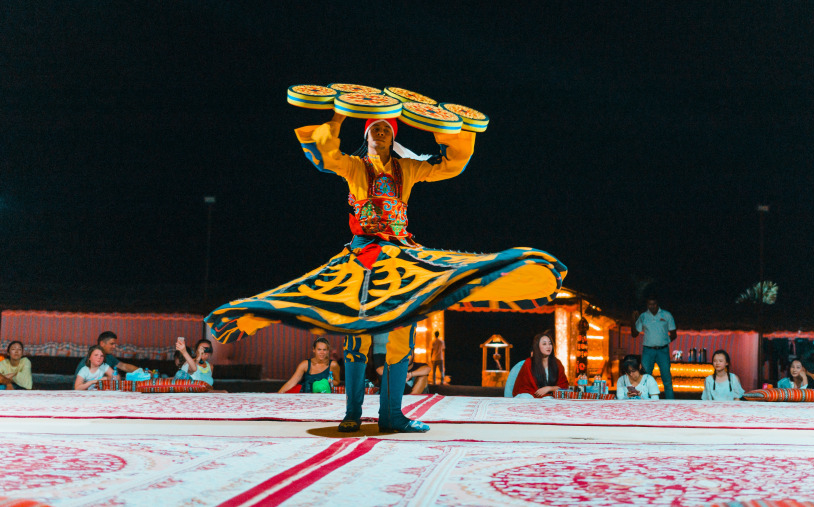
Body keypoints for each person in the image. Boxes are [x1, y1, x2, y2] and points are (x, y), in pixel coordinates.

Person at [205, 111, 567, 434]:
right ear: (366, 136)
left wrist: (453, 132)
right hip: (360, 255)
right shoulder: (353, 165)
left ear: (394, 138)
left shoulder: (406, 168)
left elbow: (449, 167)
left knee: (400, 335)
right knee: (356, 334)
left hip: (399, 257)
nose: (380, 136)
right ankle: (351, 414)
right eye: (374, 130)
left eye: (386, 131)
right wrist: (337, 116)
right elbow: (324, 155)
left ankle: (392, 415)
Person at [631, 297, 677, 399]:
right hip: (648, 351)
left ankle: (671, 403)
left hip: (663, 351)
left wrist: (665, 341)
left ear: (657, 304)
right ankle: (645, 401)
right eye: (649, 304)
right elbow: (634, 334)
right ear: (647, 305)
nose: (652, 306)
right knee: (645, 378)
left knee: (667, 379)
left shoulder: (666, 315)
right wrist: (633, 320)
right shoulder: (643, 316)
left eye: (654, 304)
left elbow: (674, 333)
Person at [512, 331, 569, 398]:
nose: (548, 346)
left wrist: (549, 388)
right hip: (530, 396)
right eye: (544, 344)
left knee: (548, 399)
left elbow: (564, 386)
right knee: (525, 397)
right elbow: (522, 387)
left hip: (548, 396)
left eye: (550, 344)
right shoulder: (529, 362)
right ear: (537, 346)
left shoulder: (557, 363)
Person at [74, 331, 139, 376]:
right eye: (112, 344)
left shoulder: (109, 356)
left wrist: (143, 371)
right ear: (102, 343)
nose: (114, 346)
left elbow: (123, 366)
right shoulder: (91, 360)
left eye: (114, 344)